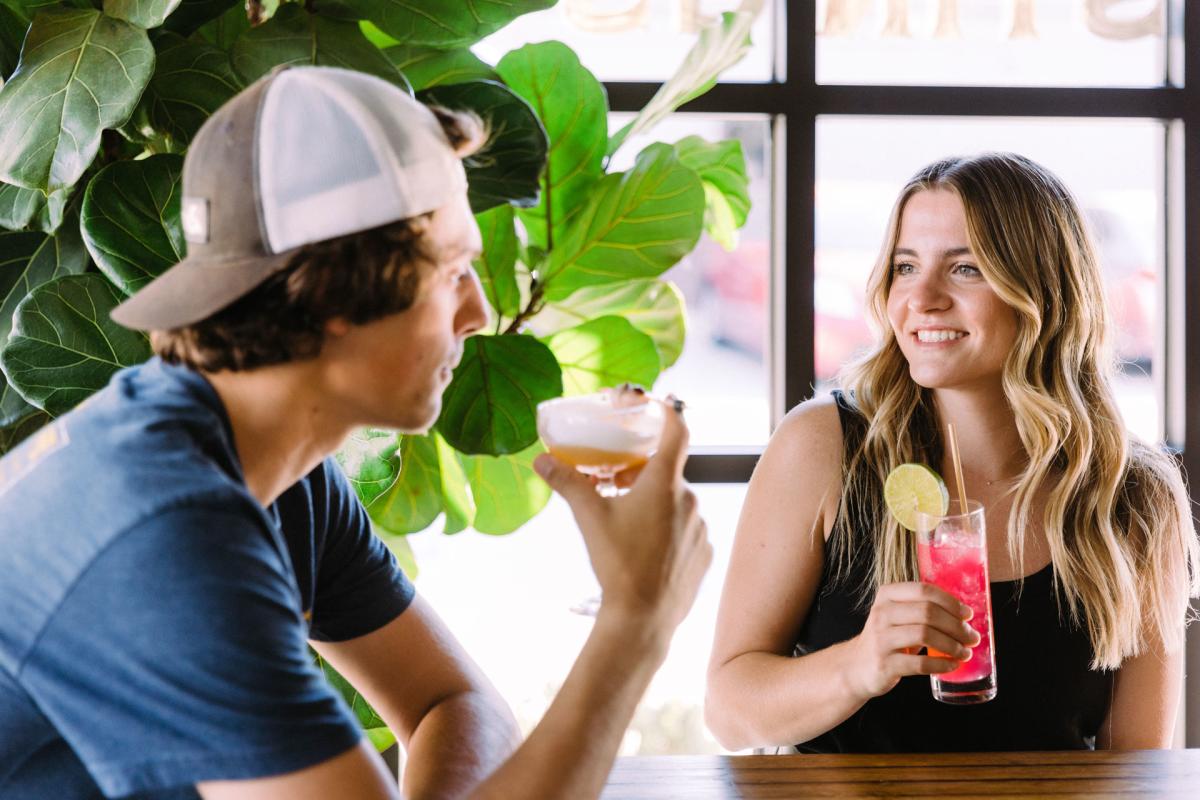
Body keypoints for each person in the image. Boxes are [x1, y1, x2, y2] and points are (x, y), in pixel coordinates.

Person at [0, 66, 711, 799]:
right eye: (454, 271)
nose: (477, 313)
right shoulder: (166, 533)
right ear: (340, 289)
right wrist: (637, 620)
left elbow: (454, 703)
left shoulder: (274, 472)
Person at [705, 152, 1199, 753]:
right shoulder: (822, 448)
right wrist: (859, 665)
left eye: (965, 269)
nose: (924, 298)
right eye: (906, 266)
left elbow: (1137, 767)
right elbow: (730, 711)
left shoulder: (1134, 496)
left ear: (1044, 291)